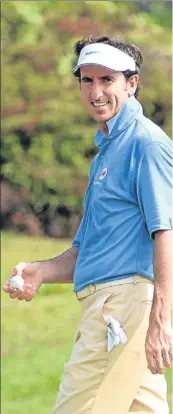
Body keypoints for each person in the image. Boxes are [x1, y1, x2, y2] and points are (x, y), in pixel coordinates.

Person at [3, 36, 173, 414]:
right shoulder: (106, 154)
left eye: (107, 80)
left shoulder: (146, 144)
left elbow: (166, 231)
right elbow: (87, 250)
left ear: (132, 83)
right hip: (112, 307)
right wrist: (42, 271)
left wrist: (161, 318)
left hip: (122, 310)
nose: (96, 91)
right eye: (87, 80)